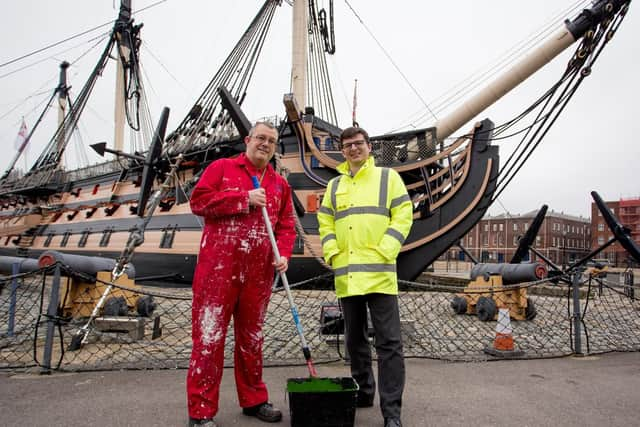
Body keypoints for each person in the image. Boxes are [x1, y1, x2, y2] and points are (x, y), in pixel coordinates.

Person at [186, 121, 296, 426]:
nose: (265, 144)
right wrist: (243, 199)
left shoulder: (279, 184)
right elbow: (198, 201)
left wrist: (283, 254)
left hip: (258, 273)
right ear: (248, 139)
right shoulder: (222, 168)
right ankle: (201, 412)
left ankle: (254, 400)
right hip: (218, 271)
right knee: (209, 339)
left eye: (271, 141)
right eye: (260, 137)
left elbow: (286, 224)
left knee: (252, 339)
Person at [317, 126, 413, 427]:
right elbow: (325, 221)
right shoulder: (335, 186)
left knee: (389, 344)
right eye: (347, 146)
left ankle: (392, 413)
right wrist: (331, 252)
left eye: (358, 144)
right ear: (343, 151)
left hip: (380, 274)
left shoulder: (388, 178)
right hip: (348, 276)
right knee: (355, 341)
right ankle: (364, 391)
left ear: (369, 147)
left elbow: (404, 213)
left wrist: (387, 248)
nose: (353, 149)